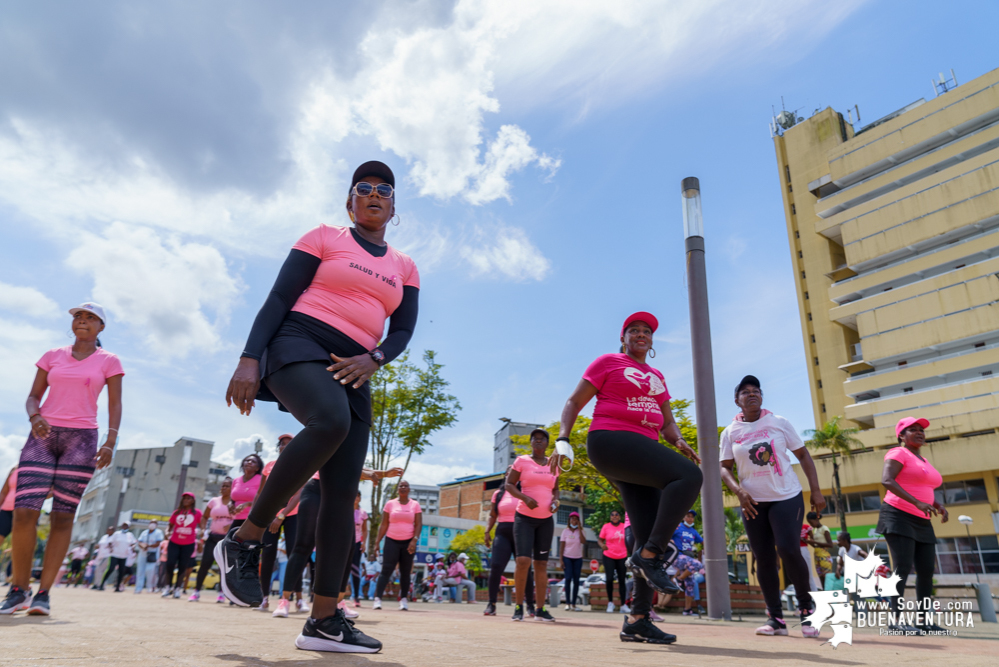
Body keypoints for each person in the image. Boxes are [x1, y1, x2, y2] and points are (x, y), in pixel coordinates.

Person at [217, 161, 418, 655]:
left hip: (357, 366)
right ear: (350, 202)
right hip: (299, 341)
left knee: (343, 491)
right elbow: (280, 296)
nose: (374, 194)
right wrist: (249, 358)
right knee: (329, 421)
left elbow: (403, 331)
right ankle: (245, 539)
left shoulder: (405, 266)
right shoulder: (324, 237)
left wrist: (374, 359)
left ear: (394, 207)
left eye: (384, 190)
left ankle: (324, 620)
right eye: (363, 188)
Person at [555, 312, 701, 645]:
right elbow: (574, 401)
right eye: (634, 330)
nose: (641, 334)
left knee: (646, 532)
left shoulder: (657, 376)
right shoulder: (609, 362)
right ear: (623, 338)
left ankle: (637, 619)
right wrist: (563, 438)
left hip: (641, 455)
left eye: (646, 331)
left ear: (651, 342)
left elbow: (666, 423)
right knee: (690, 477)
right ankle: (650, 556)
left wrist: (677, 440)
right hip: (611, 440)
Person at [1, 303, 123, 616]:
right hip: (42, 435)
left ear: (101, 327)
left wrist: (110, 441)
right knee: (24, 512)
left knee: (63, 515)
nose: (82, 321)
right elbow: (32, 396)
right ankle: (18, 589)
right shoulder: (52, 355)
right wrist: (35, 416)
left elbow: (115, 404)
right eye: (78, 317)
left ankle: (43, 594)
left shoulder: (109, 361)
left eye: (89, 318)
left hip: (82, 440)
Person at [719, 374, 824, 639]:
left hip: (786, 496)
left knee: (789, 550)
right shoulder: (730, 432)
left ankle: (806, 611)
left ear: (762, 397)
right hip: (753, 502)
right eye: (745, 392)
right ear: (737, 401)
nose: (752, 394)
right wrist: (739, 491)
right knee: (764, 558)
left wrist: (817, 490)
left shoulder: (779, 422)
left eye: (756, 390)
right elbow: (724, 468)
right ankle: (775, 619)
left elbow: (803, 455)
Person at [274, 467, 399, 619]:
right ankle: (285, 601)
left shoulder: (356, 446)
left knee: (346, 548)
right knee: (303, 545)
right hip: (317, 490)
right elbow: (339, 465)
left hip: (341, 493)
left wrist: (384, 473)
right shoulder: (331, 442)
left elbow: (356, 466)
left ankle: (339, 603)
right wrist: (370, 474)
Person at [877, 416, 948, 634]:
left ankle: (923, 620)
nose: (920, 432)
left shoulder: (924, 460)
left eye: (922, 430)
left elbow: (923, 486)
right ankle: (896, 621)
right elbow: (887, 480)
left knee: (926, 571)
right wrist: (917, 502)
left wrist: (937, 504)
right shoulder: (898, 453)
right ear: (901, 435)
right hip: (898, 514)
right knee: (902, 568)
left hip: (922, 519)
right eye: (913, 429)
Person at [506, 428, 560, 623]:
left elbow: (556, 489)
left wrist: (556, 502)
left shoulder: (554, 464)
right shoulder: (521, 461)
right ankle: (519, 606)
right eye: (535, 439)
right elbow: (509, 484)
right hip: (524, 518)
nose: (538, 442)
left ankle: (540, 609)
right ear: (531, 443)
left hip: (546, 520)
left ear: (547, 444)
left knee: (542, 564)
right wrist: (524, 498)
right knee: (522, 561)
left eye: (542, 440)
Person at [483, 466, 535, 616]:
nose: (511, 474)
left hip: (522, 531)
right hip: (503, 532)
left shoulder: (525, 493)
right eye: (509, 472)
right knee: (496, 566)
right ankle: (491, 604)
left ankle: (530, 605)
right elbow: (493, 515)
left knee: (526, 568)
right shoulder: (498, 494)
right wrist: (487, 531)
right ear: (506, 475)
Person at [258, 435, 296, 608]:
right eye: (282, 444)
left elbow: (300, 493)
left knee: (293, 555)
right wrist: (258, 514)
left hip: (292, 514)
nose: (285, 447)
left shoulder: (301, 464)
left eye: (289, 444)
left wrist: (283, 514)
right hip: (270, 514)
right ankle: (264, 597)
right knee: (267, 555)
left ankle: (290, 597)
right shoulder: (269, 466)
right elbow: (261, 493)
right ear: (278, 447)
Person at [373, 480, 422, 611]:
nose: (403, 487)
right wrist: (377, 542)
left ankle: (404, 599)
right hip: (391, 541)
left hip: (408, 543)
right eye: (401, 486)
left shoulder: (415, 505)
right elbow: (384, 524)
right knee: (386, 570)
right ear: (398, 489)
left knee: (405, 572)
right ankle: (378, 599)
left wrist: (414, 540)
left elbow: (418, 524)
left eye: (406, 486)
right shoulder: (390, 504)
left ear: (409, 489)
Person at [190, 478, 233, 602]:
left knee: (224, 567)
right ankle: (196, 592)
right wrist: (203, 529)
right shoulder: (214, 501)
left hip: (227, 539)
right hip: (213, 537)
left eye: (226, 486)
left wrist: (231, 525)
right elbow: (204, 517)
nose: (223, 488)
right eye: (222, 485)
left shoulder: (236, 503)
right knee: (205, 564)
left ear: (232, 488)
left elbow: (242, 519)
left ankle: (222, 593)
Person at [161, 492, 203, 599]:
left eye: (189, 498)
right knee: (170, 564)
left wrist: (202, 531)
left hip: (188, 544)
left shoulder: (197, 513)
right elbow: (169, 526)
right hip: (174, 542)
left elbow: (202, 525)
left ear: (193, 501)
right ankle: (168, 587)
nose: (186, 500)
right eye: (184, 498)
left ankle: (177, 589)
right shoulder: (176, 513)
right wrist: (166, 532)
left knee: (182, 566)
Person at [672, 510, 705, 616]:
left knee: (690, 584)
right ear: (683, 517)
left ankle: (687, 610)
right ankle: (678, 579)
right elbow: (665, 537)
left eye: (692, 517)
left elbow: (703, 542)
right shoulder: (677, 527)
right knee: (697, 564)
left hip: (687, 560)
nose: (690, 518)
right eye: (688, 516)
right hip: (678, 556)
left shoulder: (693, 531)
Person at [599, 510, 629, 613]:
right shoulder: (606, 526)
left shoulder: (624, 526)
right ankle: (610, 603)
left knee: (622, 580)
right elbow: (600, 540)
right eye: (612, 515)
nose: (615, 516)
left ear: (620, 517)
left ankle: (623, 605)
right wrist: (602, 545)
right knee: (609, 578)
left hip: (622, 555)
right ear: (610, 517)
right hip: (609, 555)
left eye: (617, 514)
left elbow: (629, 539)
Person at [559, 511, 585, 612]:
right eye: (572, 518)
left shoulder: (581, 531)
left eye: (576, 519)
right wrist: (561, 560)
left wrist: (579, 528)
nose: (573, 520)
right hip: (567, 557)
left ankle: (574, 604)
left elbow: (583, 541)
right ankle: (567, 603)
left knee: (576, 580)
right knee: (568, 578)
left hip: (578, 558)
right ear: (569, 520)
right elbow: (561, 547)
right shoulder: (565, 531)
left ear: (578, 521)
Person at [101, 522, 137, 592]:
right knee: (110, 569)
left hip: (123, 556)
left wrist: (133, 547)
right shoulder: (117, 533)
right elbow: (110, 542)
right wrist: (111, 548)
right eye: (123, 525)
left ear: (128, 527)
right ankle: (102, 585)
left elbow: (133, 543)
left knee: (121, 572)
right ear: (121, 526)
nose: (124, 527)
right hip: (114, 555)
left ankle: (117, 587)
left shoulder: (130, 535)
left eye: (126, 526)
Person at [135, 521, 165, 594]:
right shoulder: (144, 532)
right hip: (143, 554)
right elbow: (139, 542)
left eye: (154, 523)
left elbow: (158, 543)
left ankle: (149, 587)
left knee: (150, 571)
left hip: (152, 554)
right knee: (140, 571)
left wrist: (148, 546)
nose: (152, 524)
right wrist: (143, 546)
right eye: (151, 522)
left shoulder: (158, 532)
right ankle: (138, 588)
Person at [806, 512, 834, 590]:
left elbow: (830, 544)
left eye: (811, 522)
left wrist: (814, 542)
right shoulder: (815, 530)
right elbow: (815, 546)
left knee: (826, 578)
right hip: (817, 555)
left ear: (816, 519)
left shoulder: (824, 529)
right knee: (821, 577)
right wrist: (807, 541)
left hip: (824, 555)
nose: (811, 525)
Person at [350, 491, 368, 606]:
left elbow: (365, 530)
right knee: (342, 570)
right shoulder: (345, 509)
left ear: (360, 498)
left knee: (355, 570)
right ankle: (337, 597)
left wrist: (364, 543)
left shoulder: (363, 513)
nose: (356, 498)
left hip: (357, 543)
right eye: (354, 495)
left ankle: (356, 597)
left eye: (358, 496)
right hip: (344, 543)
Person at [799, 522, 821, 593]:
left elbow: (813, 540)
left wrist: (805, 540)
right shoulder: (790, 526)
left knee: (809, 574)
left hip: (803, 549)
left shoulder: (806, 527)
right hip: (793, 550)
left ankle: (815, 595)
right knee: (798, 575)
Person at [91, 526, 114, 590]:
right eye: (108, 529)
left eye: (111, 530)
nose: (109, 531)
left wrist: (111, 547)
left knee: (102, 570)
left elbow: (113, 547)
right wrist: (97, 546)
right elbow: (99, 545)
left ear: (113, 531)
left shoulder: (113, 538)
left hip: (107, 556)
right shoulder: (104, 537)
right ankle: (96, 584)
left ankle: (101, 585)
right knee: (97, 570)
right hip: (100, 556)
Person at [0, 466, 18, 545]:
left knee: (18, 544)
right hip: (6, 510)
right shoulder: (14, 469)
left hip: (26, 511)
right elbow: (4, 492)